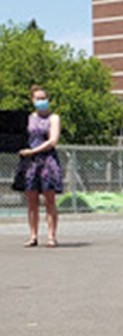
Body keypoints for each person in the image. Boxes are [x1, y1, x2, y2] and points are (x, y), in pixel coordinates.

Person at [18, 85, 63, 248]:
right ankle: (33, 236)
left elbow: (53, 140)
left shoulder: (54, 118)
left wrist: (33, 151)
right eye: (38, 98)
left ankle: (51, 236)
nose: (41, 101)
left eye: (44, 98)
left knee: (49, 199)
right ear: (32, 100)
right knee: (32, 200)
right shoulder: (29, 118)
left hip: (47, 161)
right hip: (30, 163)